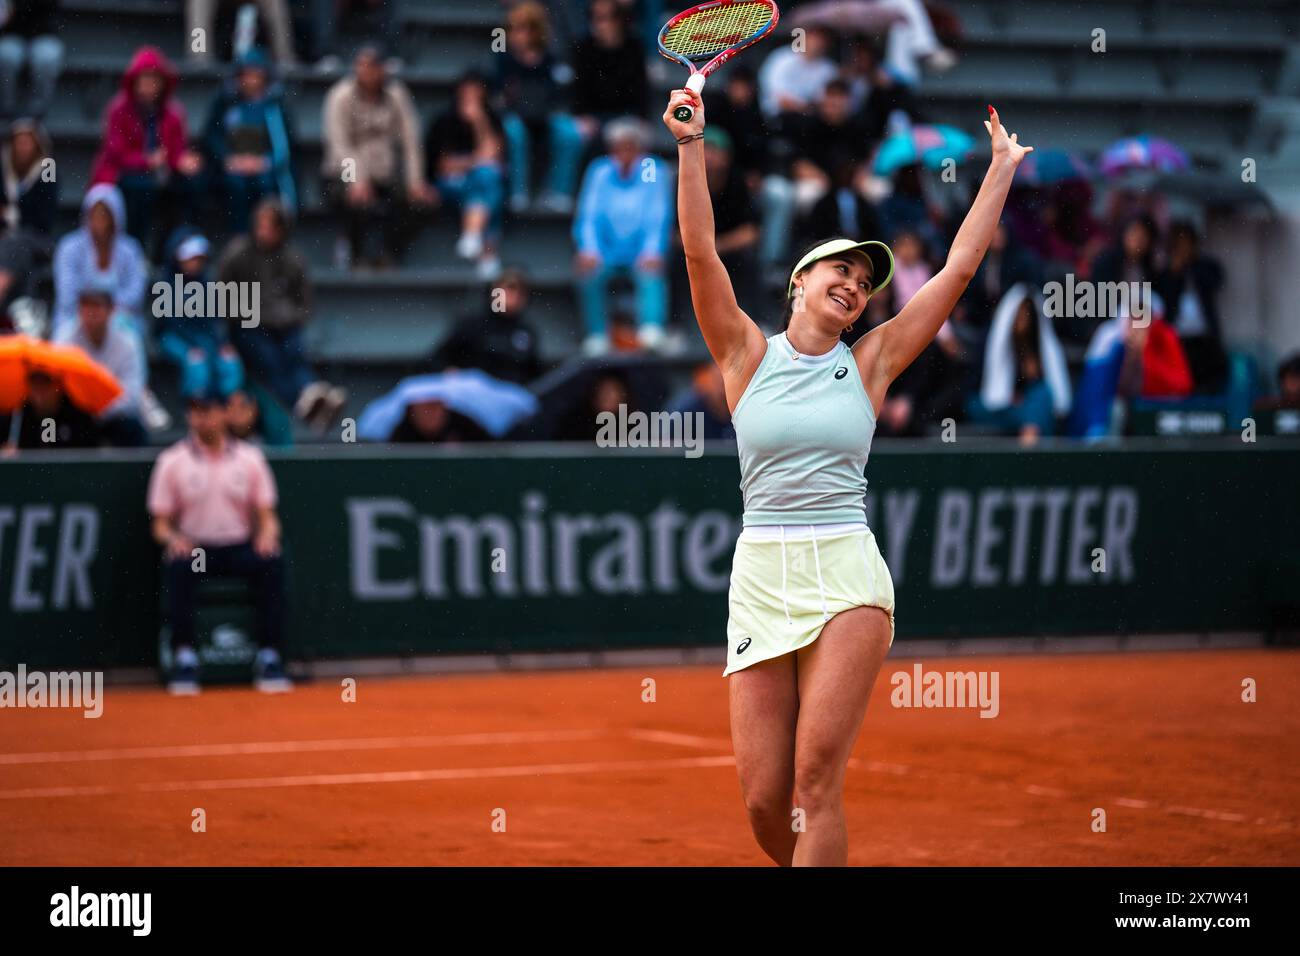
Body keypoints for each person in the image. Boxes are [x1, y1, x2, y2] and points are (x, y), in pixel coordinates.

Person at [666, 85, 1032, 866]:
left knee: (814, 780)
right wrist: (691, 147)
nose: (855, 285)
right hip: (760, 575)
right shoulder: (744, 353)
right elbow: (700, 251)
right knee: (765, 802)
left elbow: (958, 273)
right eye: (840, 270)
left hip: (845, 573)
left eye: (865, 283)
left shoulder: (871, 362)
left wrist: (1000, 168)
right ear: (798, 282)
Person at [146, 391, 290, 694]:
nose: (203, 418)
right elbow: (160, 524)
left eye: (209, 411)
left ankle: (270, 656)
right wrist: (174, 538)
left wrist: (267, 535)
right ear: (188, 417)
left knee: (271, 562)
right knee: (179, 565)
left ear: (225, 414)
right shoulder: (172, 461)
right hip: (196, 550)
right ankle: (184, 657)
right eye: (196, 412)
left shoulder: (250, 458)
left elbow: (267, 515)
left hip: (239, 547)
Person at [217, 197, 345, 428]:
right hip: (248, 327)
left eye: (269, 226)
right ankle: (306, 405)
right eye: (260, 225)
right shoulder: (237, 254)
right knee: (271, 359)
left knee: (294, 352)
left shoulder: (293, 259)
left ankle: (311, 393)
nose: (263, 232)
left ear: (281, 229)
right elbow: (221, 293)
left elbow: (304, 302)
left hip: (284, 326)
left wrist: (288, 317)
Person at [322, 46, 435, 269]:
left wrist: (415, 181)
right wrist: (356, 179)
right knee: (355, 201)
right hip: (344, 172)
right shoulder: (340, 95)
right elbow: (338, 144)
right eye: (362, 65)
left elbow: (411, 140)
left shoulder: (397, 95)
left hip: (384, 172)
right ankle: (354, 253)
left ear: (383, 69)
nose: (367, 71)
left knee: (422, 205)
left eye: (373, 66)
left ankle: (389, 253)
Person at [90, 47, 206, 257]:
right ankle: (135, 249)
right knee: (141, 188)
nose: (150, 87)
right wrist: (146, 161)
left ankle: (175, 249)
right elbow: (116, 153)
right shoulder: (118, 110)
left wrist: (183, 161)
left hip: (160, 173)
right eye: (145, 80)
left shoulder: (174, 113)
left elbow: (176, 150)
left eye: (155, 81)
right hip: (124, 173)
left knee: (190, 185)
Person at [572, 117, 672, 355]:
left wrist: (652, 250)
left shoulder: (650, 169)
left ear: (640, 148)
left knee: (652, 268)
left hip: (640, 250)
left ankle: (651, 327)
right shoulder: (600, 170)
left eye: (630, 146)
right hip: (605, 250)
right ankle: (597, 334)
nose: (624, 152)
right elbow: (588, 215)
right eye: (619, 147)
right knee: (588, 269)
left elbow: (657, 214)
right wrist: (590, 249)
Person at [493, 0, 583, 213]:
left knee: (569, 133)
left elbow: (561, 95)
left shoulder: (551, 60)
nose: (517, 35)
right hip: (514, 116)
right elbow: (496, 96)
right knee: (513, 131)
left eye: (523, 29)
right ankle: (518, 192)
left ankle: (559, 192)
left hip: (545, 115)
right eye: (513, 29)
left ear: (536, 31)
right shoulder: (502, 58)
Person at [202, 47, 296, 234]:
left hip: (266, 167)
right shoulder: (225, 104)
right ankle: (239, 236)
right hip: (232, 167)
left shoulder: (275, 106)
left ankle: (266, 234)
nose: (251, 81)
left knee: (265, 186)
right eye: (246, 75)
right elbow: (212, 137)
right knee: (235, 186)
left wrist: (265, 162)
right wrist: (228, 160)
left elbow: (285, 144)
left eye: (256, 75)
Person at [425, 72, 507, 281]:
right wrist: (475, 161)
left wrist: (479, 121)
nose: (471, 96)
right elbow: (444, 166)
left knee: (488, 178)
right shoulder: (444, 121)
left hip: (478, 181)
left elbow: (494, 156)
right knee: (487, 187)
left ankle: (472, 235)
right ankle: (486, 252)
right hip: (449, 185)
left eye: (476, 91)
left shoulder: (491, 120)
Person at [966, 283, 1071, 444]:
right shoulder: (989, 339)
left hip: (1026, 406)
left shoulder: (1036, 347)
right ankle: (1033, 451)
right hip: (991, 407)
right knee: (1038, 408)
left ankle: (1029, 442)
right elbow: (982, 388)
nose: (1024, 319)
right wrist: (1008, 395)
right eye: (1020, 313)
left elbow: (1044, 388)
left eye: (1028, 314)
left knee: (1042, 396)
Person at [52, 184, 147, 340]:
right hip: (76, 317)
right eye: (95, 215)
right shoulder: (69, 247)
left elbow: (135, 293)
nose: (100, 221)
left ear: (116, 217)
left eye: (105, 215)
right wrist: (92, 313)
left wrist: (105, 313)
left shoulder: (131, 250)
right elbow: (66, 295)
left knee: (128, 335)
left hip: (118, 318)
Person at [156, 231, 244, 400]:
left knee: (230, 364)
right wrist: (193, 346)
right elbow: (171, 324)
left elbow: (215, 321)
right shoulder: (166, 285)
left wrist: (222, 343)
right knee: (197, 366)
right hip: (174, 338)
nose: (195, 264)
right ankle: (197, 412)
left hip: (204, 339)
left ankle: (224, 412)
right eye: (190, 258)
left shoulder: (208, 284)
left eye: (199, 258)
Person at [54, 287, 148, 447]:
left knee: (133, 426)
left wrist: (99, 408)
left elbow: (132, 396)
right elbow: (59, 387)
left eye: (96, 306)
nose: (90, 313)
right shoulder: (65, 339)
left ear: (111, 310)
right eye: (85, 306)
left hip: (115, 416)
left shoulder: (128, 342)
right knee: (54, 428)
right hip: (76, 414)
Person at [431, 268, 543, 385]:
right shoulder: (472, 324)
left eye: (519, 292)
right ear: (493, 292)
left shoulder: (526, 332)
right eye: (508, 290)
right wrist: (449, 371)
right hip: (470, 390)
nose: (513, 297)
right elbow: (437, 359)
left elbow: (534, 374)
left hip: (511, 395)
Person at [1154, 220, 1227, 393]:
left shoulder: (1205, 266)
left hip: (1205, 339)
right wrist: (1175, 272)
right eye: (1179, 243)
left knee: (1209, 384)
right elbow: (1163, 300)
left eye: (1187, 243)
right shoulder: (1165, 273)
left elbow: (1215, 282)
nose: (1183, 248)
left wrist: (1189, 266)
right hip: (1177, 340)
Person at [0, 119, 56, 321]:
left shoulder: (47, 173)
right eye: (18, 142)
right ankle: (23, 316)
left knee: (19, 243)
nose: (22, 147)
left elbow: (44, 219)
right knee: (17, 252)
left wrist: (13, 212)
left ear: (36, 145)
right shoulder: (3, 172)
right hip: (8, 243)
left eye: (27, 142)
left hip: (39, 241)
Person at [0, 0, 63, 119]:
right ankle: (7, 106)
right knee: (6, 57)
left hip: (45, 33)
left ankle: (37, 111)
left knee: (47, 59)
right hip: (11, 34)